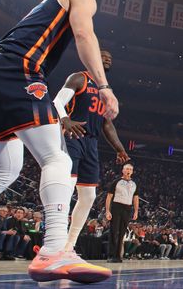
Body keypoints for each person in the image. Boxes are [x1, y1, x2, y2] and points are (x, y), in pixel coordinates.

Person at [0, 0, 115, 283]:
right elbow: (85, 36)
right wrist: (104, 86)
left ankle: (57, 250)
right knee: (56, 157)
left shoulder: (47, 4)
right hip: (19, 69)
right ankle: (54, 250)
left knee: (3, 171)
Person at [53, 49, 130, 253]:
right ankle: (55, 240)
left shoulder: (107, 91)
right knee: (67, 187)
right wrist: (65, 119)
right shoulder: (79, 78)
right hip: (73, 136)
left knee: (88, 196)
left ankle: (69, 245)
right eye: (103, 55)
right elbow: (57, 102)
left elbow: (107, 124)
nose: (107, 58)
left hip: (92, 143)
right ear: (92, 58)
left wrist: (119, 148)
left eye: (110, 57)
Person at [105, 162, 139, 262]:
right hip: (116, 206)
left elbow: (136, 198)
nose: (128, 171)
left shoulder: (134, 184)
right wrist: (107, 211)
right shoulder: (116, 181)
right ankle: (111, 255)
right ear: (123, 170)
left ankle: (118, 255)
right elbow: (109, 197)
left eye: (130, 169)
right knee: (114, 231)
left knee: (122, 232)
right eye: (127, 169)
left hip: (127, 208)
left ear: (132, 172)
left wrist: (136, 211)